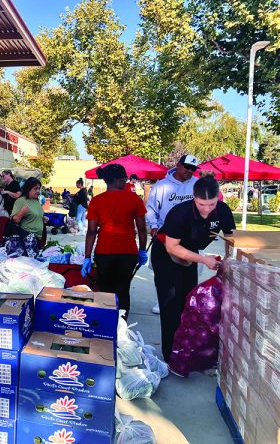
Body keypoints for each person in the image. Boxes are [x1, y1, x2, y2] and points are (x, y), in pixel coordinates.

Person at [151, 174, 235, 365]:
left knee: (189, 302)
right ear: (194, 197)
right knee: (171, 305)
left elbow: (232, 239)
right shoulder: (180, 212)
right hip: (166, 255)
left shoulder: (223, 211)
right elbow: (172, 247)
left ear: (218, 198)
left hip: (190, 255)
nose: (206, 210)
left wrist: (230, 261)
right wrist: (204, 260)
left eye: (211, 205)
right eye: (201, 204)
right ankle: (171, 355)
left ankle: (186, 346)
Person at [81, 164, 148, 318]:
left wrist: (87, 256)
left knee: (105, 290)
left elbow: (91, 231)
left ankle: (105, 323)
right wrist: (142, 250)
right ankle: (122, 325)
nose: (126, 181)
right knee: (123, 289)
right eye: (124, 178)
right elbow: (142, 229)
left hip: (104, 253)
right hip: (128, 253)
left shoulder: (97, 201)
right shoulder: (134, 199)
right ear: (117, 180)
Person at [146, 154, 199, 315]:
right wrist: (154, 227)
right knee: (164, 276)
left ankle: (186, 306)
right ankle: (162, 301)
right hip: (166, 237)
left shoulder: (197, 185)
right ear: (178, 165)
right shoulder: (161, 186)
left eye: (193, 169)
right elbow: (151, 210)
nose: (189, 171)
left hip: (190, 238)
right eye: (187, 167)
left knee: (189, 277)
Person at [10, 177, 49, 255]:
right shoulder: (21, 201)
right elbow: (15, 219)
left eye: (39, 188)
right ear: (28, 189)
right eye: (35, 188)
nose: (38, 191)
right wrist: (22, 212)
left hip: (37, 238)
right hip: (27, 238)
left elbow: (35, 214)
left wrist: (43, 218)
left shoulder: (36, 201)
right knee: (30, 263)